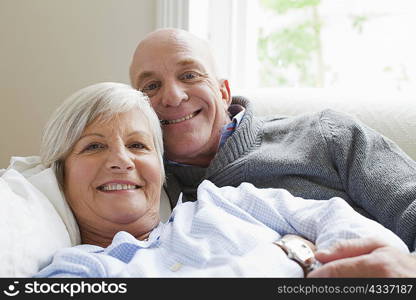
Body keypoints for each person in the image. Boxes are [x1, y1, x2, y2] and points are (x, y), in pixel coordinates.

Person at [35, 82, 408, 278]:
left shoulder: (230, 201)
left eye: (137, 145)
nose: (120, 161)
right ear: (60, 171)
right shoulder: (76, 269)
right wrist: (287, 255)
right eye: (94, 146)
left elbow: (343, 224)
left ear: (161, 167)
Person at [128, 28, 416, 277]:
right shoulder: (139, 187)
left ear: (224, 92)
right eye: (151, 86)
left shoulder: (327, 135)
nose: (172, 96)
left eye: (189, 75)